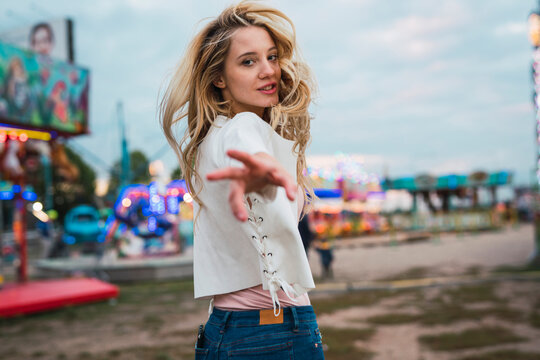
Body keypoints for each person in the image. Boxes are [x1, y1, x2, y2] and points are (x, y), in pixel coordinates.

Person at [160, 2, 324, 359]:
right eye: (248, 61)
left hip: (230, 328)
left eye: (271, 56)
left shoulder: (209, 139)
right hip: (270, 332)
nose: (268, 71)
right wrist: (264, 170)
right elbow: (251, 150)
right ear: (219, 77)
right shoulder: (243, 128)